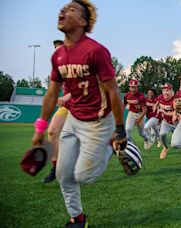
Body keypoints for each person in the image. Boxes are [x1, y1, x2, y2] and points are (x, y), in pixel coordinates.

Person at [31, 0, 127, 226]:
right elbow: (52, 93)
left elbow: (113, 90)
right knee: (64, 175)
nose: (63, 10)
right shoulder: (58, 56)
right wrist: (41, 127)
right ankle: (78, 218)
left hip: (98, 122)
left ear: (83, 22)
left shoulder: (96, 51)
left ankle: (109, 147)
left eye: (71, 9)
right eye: (63, 8)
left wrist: (120, 129)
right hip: (74, 119)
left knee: (85, 176)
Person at [42, 40, 70, 184]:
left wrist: (67, 96)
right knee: (52, 131)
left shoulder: (77, 65)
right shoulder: (57, 69)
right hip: (66, 107)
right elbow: (52, 92)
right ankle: (55, 168)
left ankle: (112, 146)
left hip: (83, 106)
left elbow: (87, 88)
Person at [124, 79, 151, 149]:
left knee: (141, 133)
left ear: (137, 87)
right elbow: (123, 105)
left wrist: (139, 119)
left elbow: (145, 110)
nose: (133, 89)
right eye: (132, 87)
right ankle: (129, 144)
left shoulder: (141, 97)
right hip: (132, 113)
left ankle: (147, 138)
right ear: (129, 87)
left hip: (140, 114)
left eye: (135, 87)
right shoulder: (127, 95)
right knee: (128, 129)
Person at [156, 83, 176, 160]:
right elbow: (157, 102)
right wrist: (155, 106)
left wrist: (164, 112)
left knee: (178, 143)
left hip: (176, 123)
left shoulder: (175, 100)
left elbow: (176, 113)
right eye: (164, 90)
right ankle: (165, 147)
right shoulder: (160, 98)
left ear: (172, 92)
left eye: (167, 90)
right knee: (162, 134)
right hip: (166, 122)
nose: (165, 92)